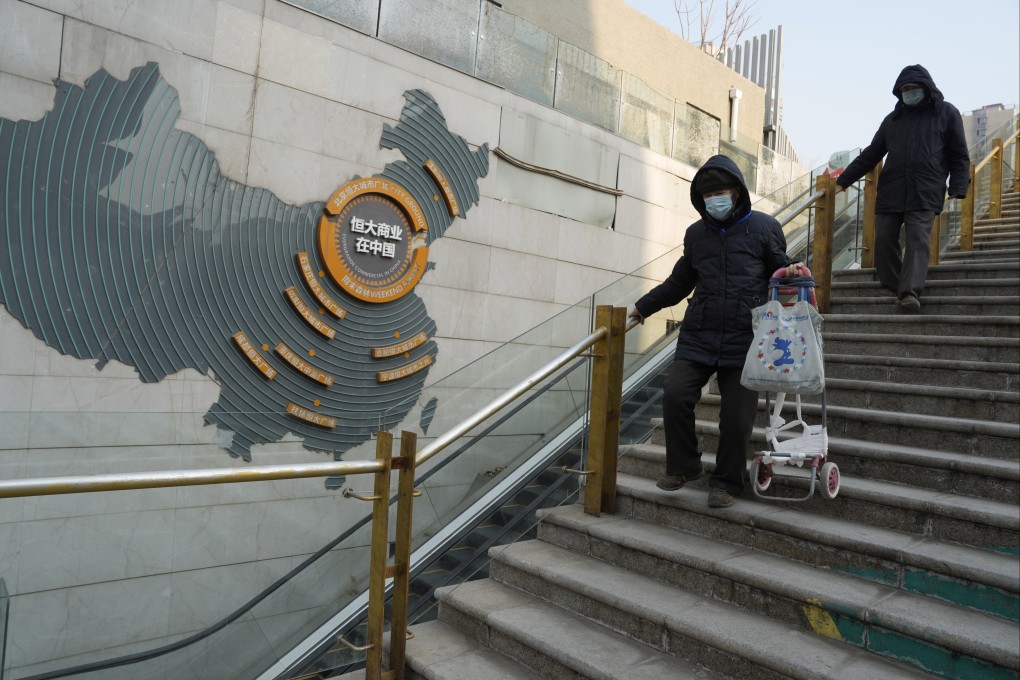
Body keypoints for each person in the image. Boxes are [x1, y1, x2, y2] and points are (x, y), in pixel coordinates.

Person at [629, 155, 798, 509]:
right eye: (707, 196)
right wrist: (644, 306)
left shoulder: (764, 228)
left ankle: (726, 482)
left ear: (736, 192)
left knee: (736, 418)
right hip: (699, 334)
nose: (713, 200)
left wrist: (792, 272)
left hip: (746, 337)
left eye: (719, 192)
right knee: (675, 395)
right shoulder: (696, 234)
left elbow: (779, 269)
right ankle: (684, 466)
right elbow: (679, 282)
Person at [835, 64, 970, 311]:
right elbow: (870, 155)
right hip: (892, 189)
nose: (908, 92)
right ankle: (895, 284)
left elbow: (959, 154)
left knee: (918, 239)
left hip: (926, 188)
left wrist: (957, 186)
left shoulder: (947, 113)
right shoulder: (893, 120)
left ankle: (909, 293)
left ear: (926, 88)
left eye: (913, 88)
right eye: (904, 89)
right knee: (884, 238)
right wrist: (842, 182)